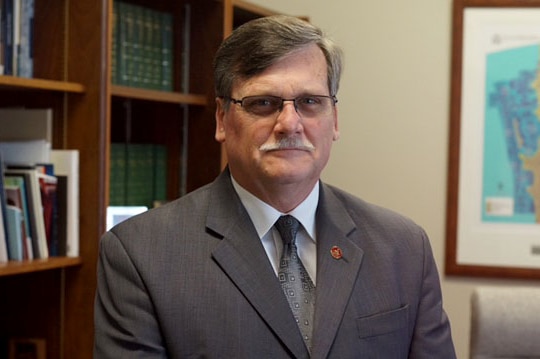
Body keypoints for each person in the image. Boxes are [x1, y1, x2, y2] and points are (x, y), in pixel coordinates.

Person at [94, 15, 456, 358]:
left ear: (334, 120)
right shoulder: (140, 254)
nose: (289, 124)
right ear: (222, 119)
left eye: (309, 102)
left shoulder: (403, 248)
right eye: (263, 103)